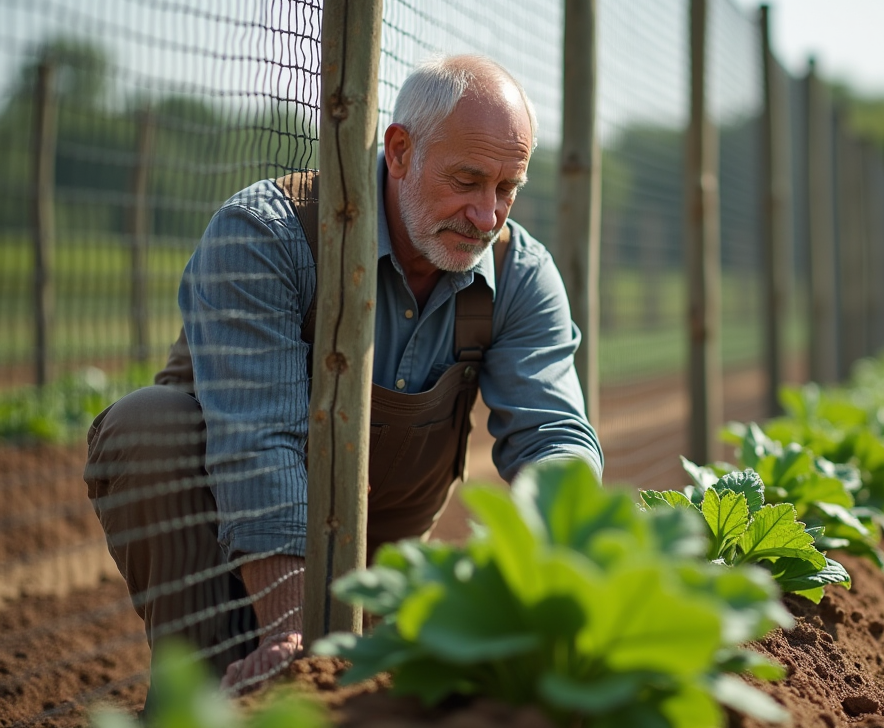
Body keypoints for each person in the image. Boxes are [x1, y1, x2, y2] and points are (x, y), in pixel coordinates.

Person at [84, 54, 602, 696]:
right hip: (221, 540)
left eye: (508, 188)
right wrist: (296, 635)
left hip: (379, 567)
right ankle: (198, 694)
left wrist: (565, 564)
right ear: (401, 149)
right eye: (467, 181)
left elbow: (553, 435)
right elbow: (259, 439)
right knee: (146, 425)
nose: (487, 214)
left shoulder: (520, 274)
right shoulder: (268, 236)